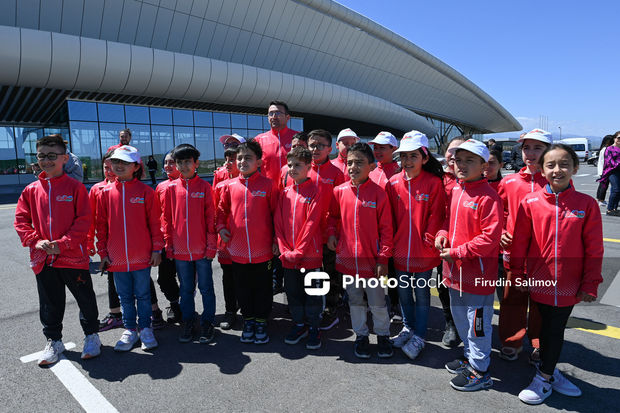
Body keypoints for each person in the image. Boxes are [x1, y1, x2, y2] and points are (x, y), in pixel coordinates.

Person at [512, 144, 603, 405]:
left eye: (564, 164)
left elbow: (595, 248)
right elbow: (520, 242)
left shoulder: (586, 204)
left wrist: (590, 283)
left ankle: (545, 377)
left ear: (575, 168)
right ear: (542, 170)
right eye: (550, 165)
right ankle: (550, 371)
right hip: (538, 282)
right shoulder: (530, 202)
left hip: (567, 285)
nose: (557, 169)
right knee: (543, 328)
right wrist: (518, 273)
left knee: (554, 330)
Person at [14, 134, 100, 366]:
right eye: (42, 156)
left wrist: (62, 244)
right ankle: (54, 340)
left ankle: (92, 336)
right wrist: (36, 241)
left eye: (52, 156)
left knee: (85, 298)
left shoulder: (75, 188)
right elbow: (21, 220)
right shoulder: (31, 190)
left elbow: (83, 221)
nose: (46, 160)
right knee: (50, 302)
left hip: (73, 257)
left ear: (64, 158)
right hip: (44, 258)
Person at [435, 139, 502, 391]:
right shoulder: (457, 191)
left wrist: (458, 252)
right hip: (454, 273)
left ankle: (480, 372)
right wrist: (442, 233)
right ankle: (470, 358)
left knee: (478, 326)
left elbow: (489, 238)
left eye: (470, 160)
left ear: (484, 165)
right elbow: (448, 222)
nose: (461, 165)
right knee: (462, 321)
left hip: (477, 277)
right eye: (459, 160)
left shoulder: (489, 197)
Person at [327, 142, 393, 359]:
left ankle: (383, 335)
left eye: (359, 162)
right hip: (347, 261)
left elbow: (386, 229)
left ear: (372, 166)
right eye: (350, 162)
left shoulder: (379, 194)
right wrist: (331, 234)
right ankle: (361, 336)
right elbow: (333, 218)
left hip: (372, 262)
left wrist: (383, 257)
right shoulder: (339, 191)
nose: (353, 166)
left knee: (377, 302)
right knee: (355, 300)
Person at [96, 145, 163, 352]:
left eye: (124, 162)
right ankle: (130, 330)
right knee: (124, 296)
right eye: (116, 161)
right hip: (116, 258)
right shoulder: (104, 192)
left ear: (136, 166)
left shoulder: (146, 192)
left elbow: (155, 223)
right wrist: (103, 253)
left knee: (143, 295)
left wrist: (157, 249)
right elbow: (101, 226)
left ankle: (145, 328)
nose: (119, 165)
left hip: (141, 256)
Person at [386, 131, 445, 360]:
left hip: (423, 253)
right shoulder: (392, 183)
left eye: (413, 156)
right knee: (403, 295)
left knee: (421, 295)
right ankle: (407, 329)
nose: (407, 161)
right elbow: (388, 218)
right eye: (404, 156)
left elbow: (437, 216)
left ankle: (420, 335)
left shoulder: (434, 183)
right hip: (400, 252)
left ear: (425, 158)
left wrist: (428, 240)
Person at [216, 140, 278, 344]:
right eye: (239, 158)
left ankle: (261, 321)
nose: (242, 161)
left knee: (262, 288)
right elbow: (221, 212)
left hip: (263, 251)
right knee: (242, 288)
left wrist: (276, 240)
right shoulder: (229, 186)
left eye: (248, 158)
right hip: (238, 251)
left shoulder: (268, 185)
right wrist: (221, 228)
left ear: (259, 162)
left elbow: (276, 215)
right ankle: (248, 321)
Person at [498, 129, 551, 364]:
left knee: (541, 304)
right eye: (526, 147)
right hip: (514, 256)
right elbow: (498, 213)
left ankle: (539, 343)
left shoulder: (554, 181)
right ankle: (512, 341)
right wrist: (500, 232)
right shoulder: (509, 181)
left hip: (543, 257)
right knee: (512, 301)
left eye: (537, 148)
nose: (530, 153)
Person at [163, 144, 217, 344]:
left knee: (206, 288)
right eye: (180, 162)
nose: (183, 166)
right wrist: (169, 245)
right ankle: (188, 321)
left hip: (202, 250)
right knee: (186, 288)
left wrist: (212, 246)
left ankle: (208, 322)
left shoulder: (204, 187)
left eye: (188, 162)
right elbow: (166, 219)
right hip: (180, 252)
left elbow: (211, 218)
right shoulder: (170, 189)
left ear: (196, 164)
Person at [274, 147, 325, 350]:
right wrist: (285, 250)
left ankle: (314, 327)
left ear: (308, 167)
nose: (292, 169)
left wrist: (299, 251)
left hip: (310, 256)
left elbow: (312, 225)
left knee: (313, 293)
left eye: (297, 165)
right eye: (290, 165)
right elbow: (278, 223)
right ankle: (299, 324)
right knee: (293, 293)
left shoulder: (316, 191)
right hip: (288, 257)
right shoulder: (285, 193)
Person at [305, 129, 345, 331]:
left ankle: (331, 309)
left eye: (320, 145)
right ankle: (311, 309)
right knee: (310, 274)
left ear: (330, 149)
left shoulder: (337, 174)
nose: (315, 149)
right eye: (312, 145)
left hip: (329, 235)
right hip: (306, 236)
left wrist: (334, 233)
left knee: (330, 274)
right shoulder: (302, 170)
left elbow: (341, 207)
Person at [88, 150, 124, 332]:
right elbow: (91, 220)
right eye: (105, 167)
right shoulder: (97, 189)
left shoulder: (128, 187)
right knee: (112, 278)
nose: (109, 171)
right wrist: (90, 243)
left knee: (141, 279)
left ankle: (153, 311)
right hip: (108, 244)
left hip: (129, 243)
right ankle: (116, 314)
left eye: (112, 167)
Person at [368, 131, 401, 322]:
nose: (378, 151)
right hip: (372, 232)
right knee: (375, 272)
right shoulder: (371, 171)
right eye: (376, 147)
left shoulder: (399, 171)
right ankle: (377, 305)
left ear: (393, 149)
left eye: (382, 147)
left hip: (393, 231)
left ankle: (396, 305)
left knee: (393, 272)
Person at [437, 135, 467, 347]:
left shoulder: (473, 177)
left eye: (460, 152)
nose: (454, 156)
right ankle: (451, 324)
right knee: (443, 285)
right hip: (443, 242)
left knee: (468, 290)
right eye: (451, 151)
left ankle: (470, 332)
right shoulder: (438, 178)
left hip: (468, 245)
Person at [155, 152, 182, 324]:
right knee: (164, 278)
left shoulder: (190, 185)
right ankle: (174, 303)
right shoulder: (160, 187)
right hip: (165, 240)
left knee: (187, 279)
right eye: (165, 162)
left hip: (186, 240)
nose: (167, 166)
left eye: (171, 162)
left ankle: (185, 306)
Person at [253, 101, 299, 185]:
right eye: (270, 113)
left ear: (287, 117)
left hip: (293, 189)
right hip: (268, 190)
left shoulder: (298, 138)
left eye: (278, 113)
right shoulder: (259, 139)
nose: (273, 116)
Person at [598, 131, 620, 216]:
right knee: (616, 189)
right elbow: (610, 162)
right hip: (612, 171)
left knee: (619, 191)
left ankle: (614, 208)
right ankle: (610, 209)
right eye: (618, 138)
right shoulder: (609, 149)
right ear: (614, 138)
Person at [595, 135, 615, 206]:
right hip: (605, 170)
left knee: (602, 186)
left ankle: (599, 199)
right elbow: (605, 161)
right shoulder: (606, 149)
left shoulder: (603, 149)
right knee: (604, 186)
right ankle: (601, 200)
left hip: (603, 170)